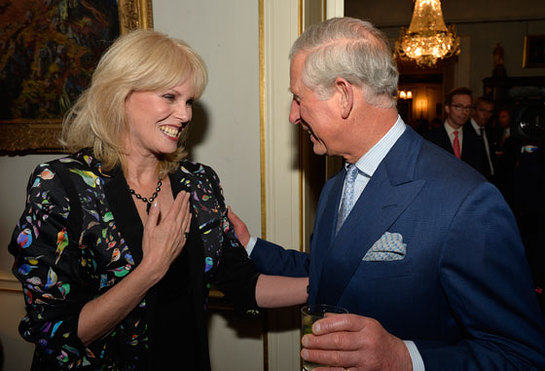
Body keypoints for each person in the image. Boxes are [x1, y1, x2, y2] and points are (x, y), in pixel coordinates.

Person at [229, 17, 545, 370]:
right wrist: (251, 245)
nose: (292, 116)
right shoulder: (337, 185)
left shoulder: (466, 202)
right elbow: (330, 271)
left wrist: (407, 358)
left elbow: (522, 357)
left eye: (298, 99)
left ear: (343, 95)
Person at [8, 29, 308, 370]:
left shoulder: (198, 183)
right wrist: (151, 269)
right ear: (120, 94)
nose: (185, 114)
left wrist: (330, 287)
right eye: (169, 97)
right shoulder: (61, 186)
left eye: (189, 101)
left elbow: (244, 284)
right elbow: (56, 333)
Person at [425, 87, 486, 174]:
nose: (464, 112)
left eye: (468, 108)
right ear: (447, 108)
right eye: (459, 107)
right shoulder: (430, 139)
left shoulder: (475, 140)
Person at [468, 96, 496, 179]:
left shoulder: (490, 130)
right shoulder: (465, 131)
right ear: (474, 111)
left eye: (489, 112)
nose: (486, 115)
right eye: (482, 110)